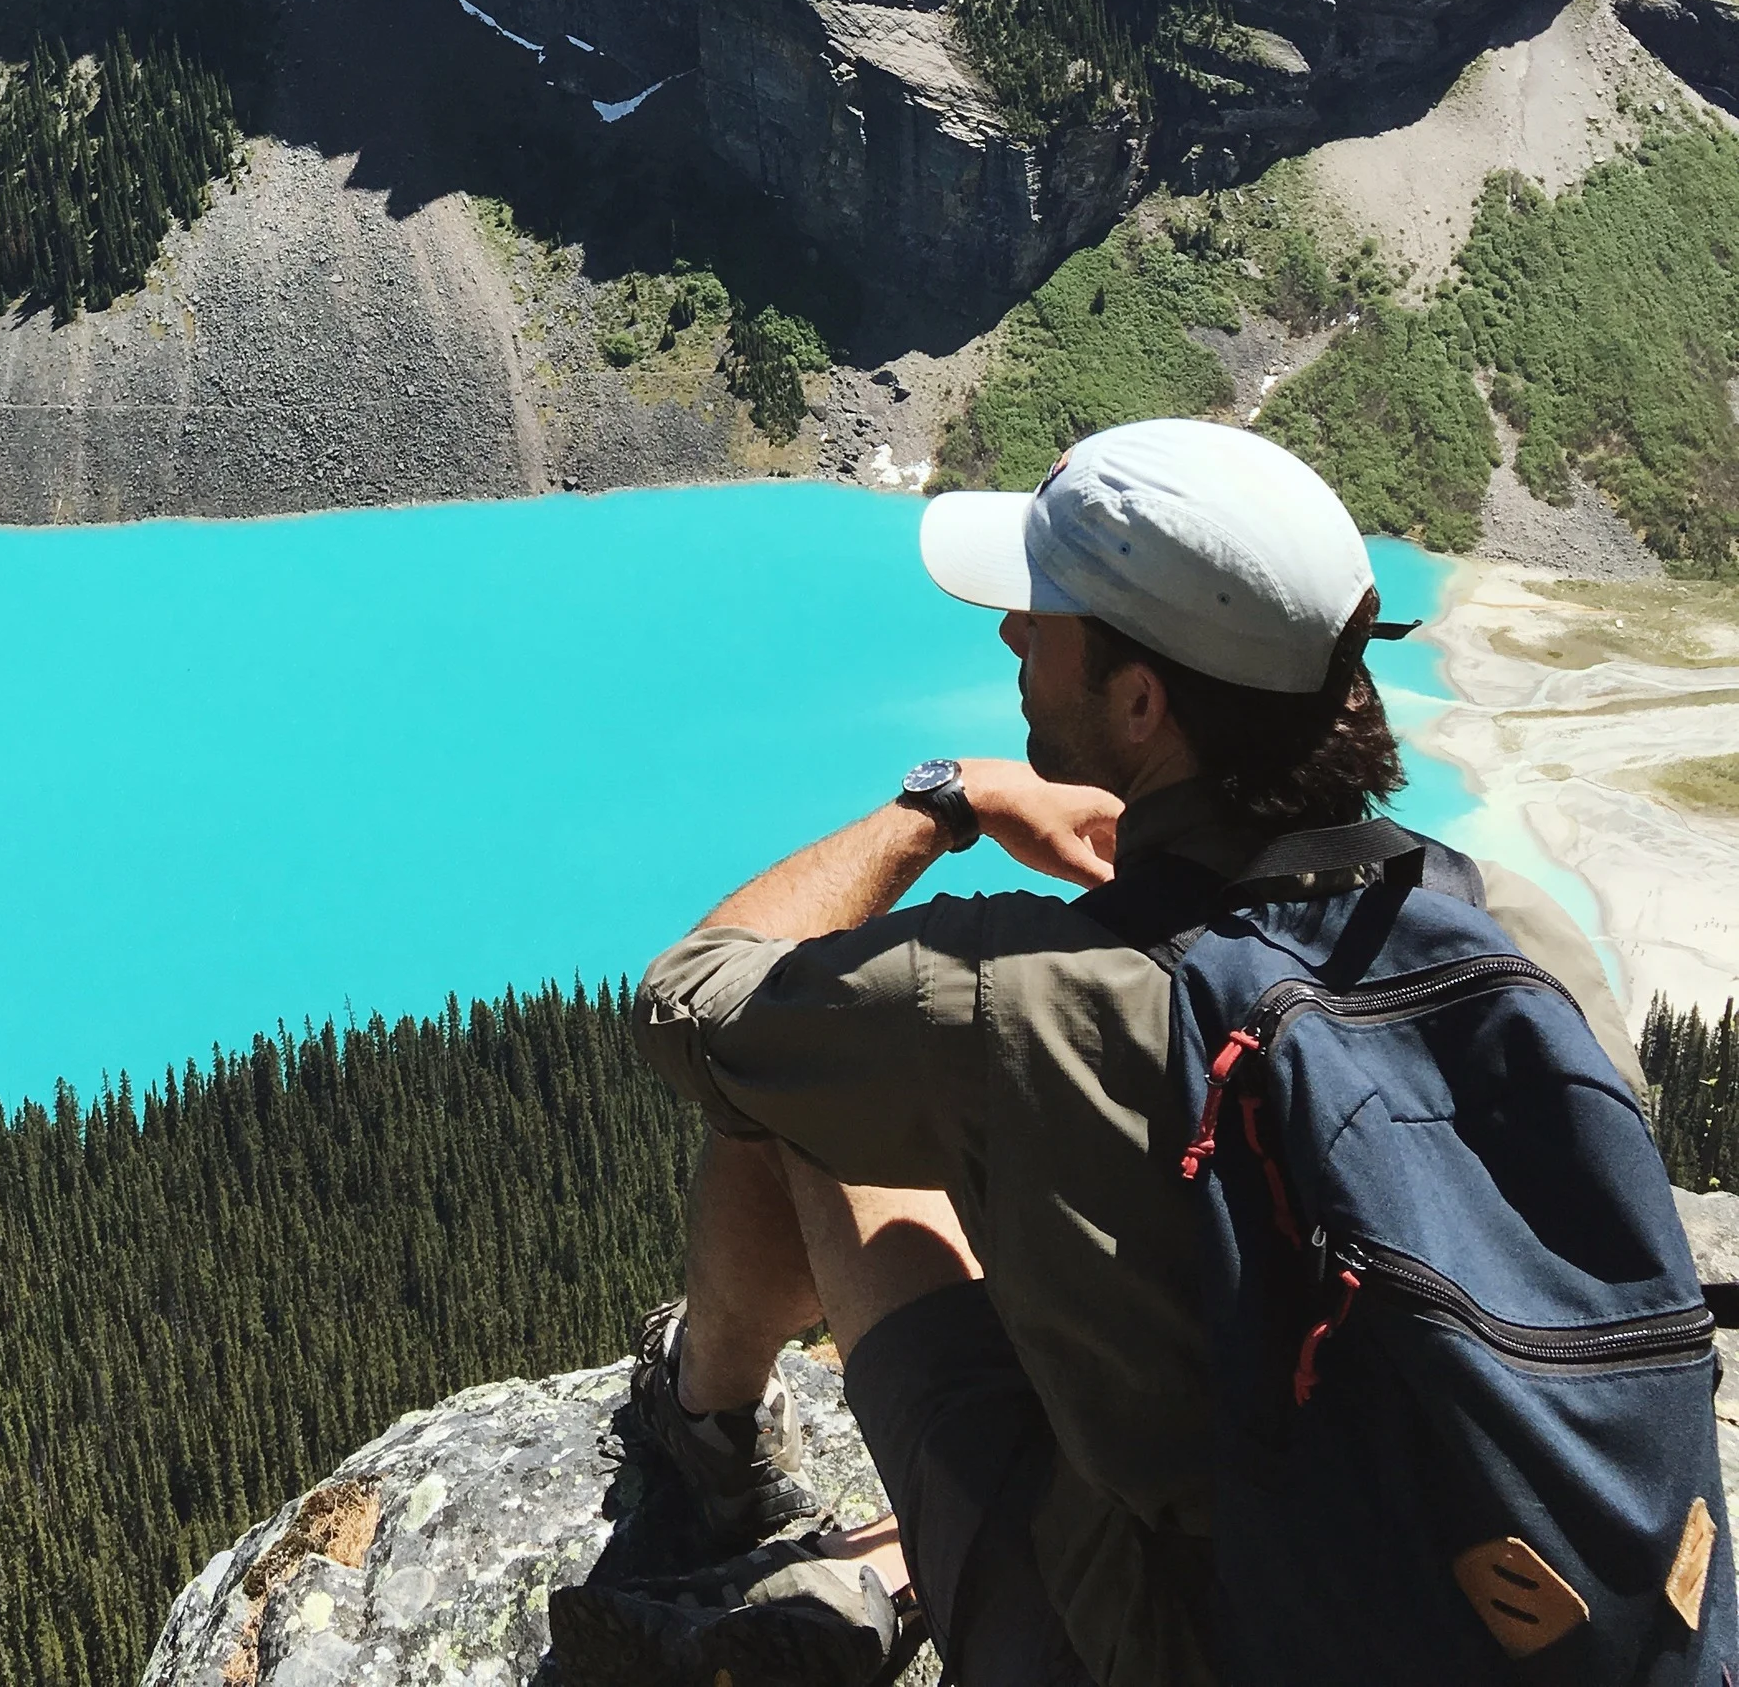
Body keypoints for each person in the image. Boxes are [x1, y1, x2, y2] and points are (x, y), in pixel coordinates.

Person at [554, 420, 1643, 1687]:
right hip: (1535, 1605)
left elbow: (693, 1002)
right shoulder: (1515, 929)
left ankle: (707, 1440)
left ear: (1139, 702)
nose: (1014, 635)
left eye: (1045, 616)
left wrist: (943, 801)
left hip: (1175, 1644)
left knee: (803, 1087)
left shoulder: (1025, 989)